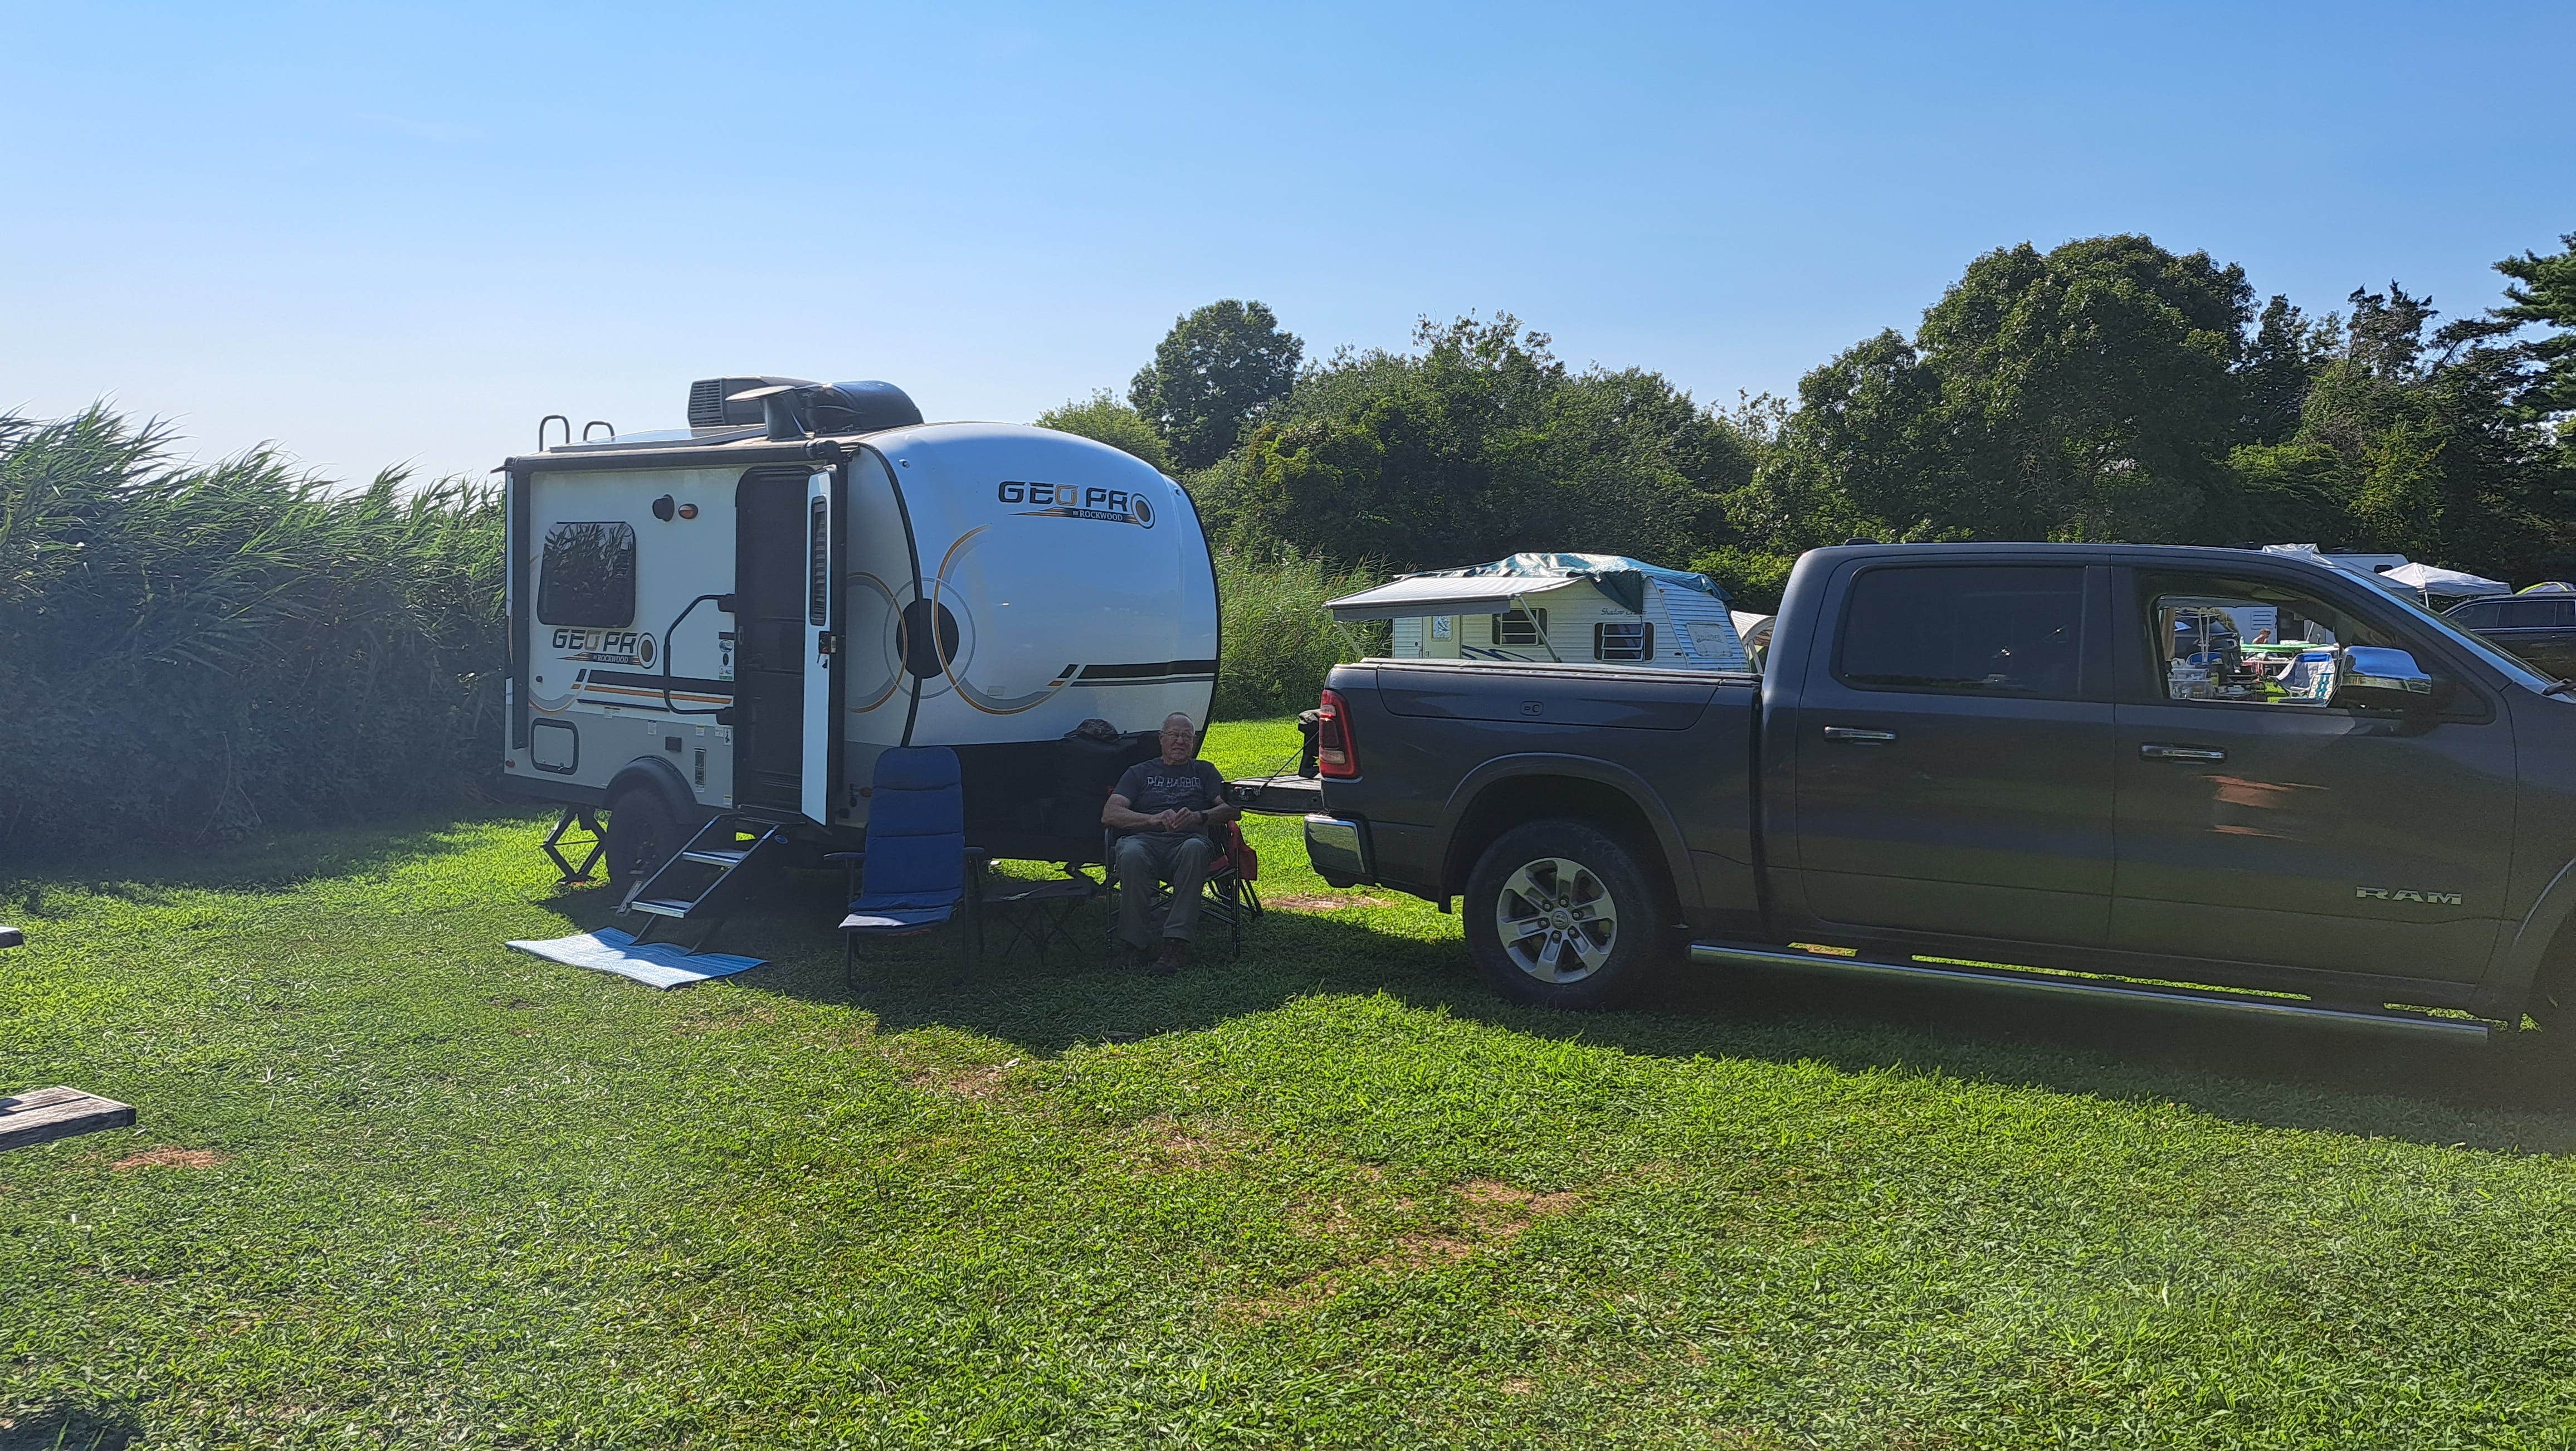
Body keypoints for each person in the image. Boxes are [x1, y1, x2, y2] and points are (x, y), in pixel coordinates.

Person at [1102, 712, 1240, 975]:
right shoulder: (1139, 773)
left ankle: (1176, 944)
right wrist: (1152, 820)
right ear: (1161, 739)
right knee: (1129, 853)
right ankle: (1135, 944)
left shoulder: (1204, 771)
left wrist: (1200, 817)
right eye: (1174, 735)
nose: (1180, 741)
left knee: (1197, 849)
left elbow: (1232, 810)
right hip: (1144, 841)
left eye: (1186, 737)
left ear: (1194, 742)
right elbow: (1111, 813)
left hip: (1186, 842)